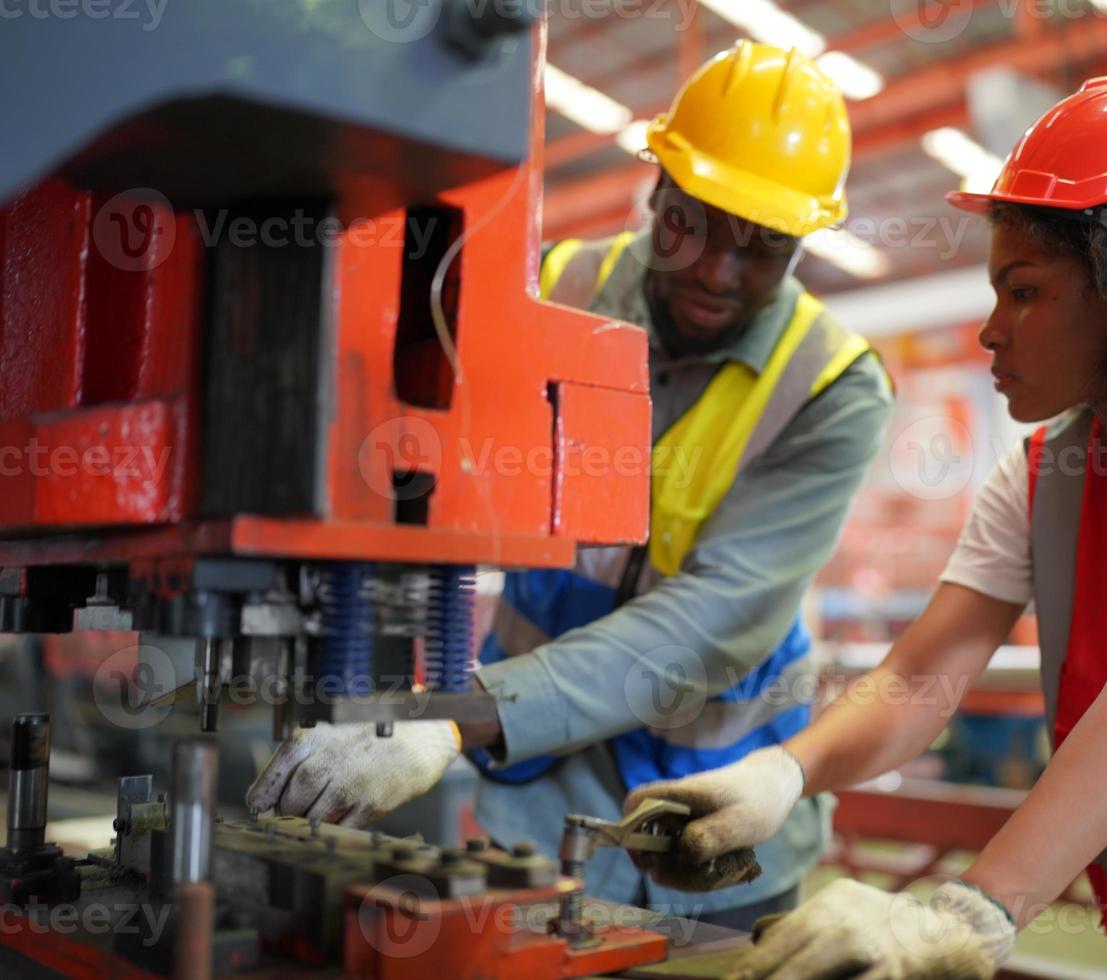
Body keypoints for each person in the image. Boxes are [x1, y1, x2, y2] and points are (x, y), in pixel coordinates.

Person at [626, 76, 1107, 978]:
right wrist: (781, 774)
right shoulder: (1044, 477)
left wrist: (972, 907)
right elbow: (922, 678)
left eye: (1023, 291)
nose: (991, 330)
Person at [245, 40, 894, 932]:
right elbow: (418, 488)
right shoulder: (547, 293)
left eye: (763, 247)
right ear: (656, 185)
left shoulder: (831, 387)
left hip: (716, 822)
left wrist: (453, 720)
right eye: (694, 221)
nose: (716, 268)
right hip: (536, 813)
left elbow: (715, 622)